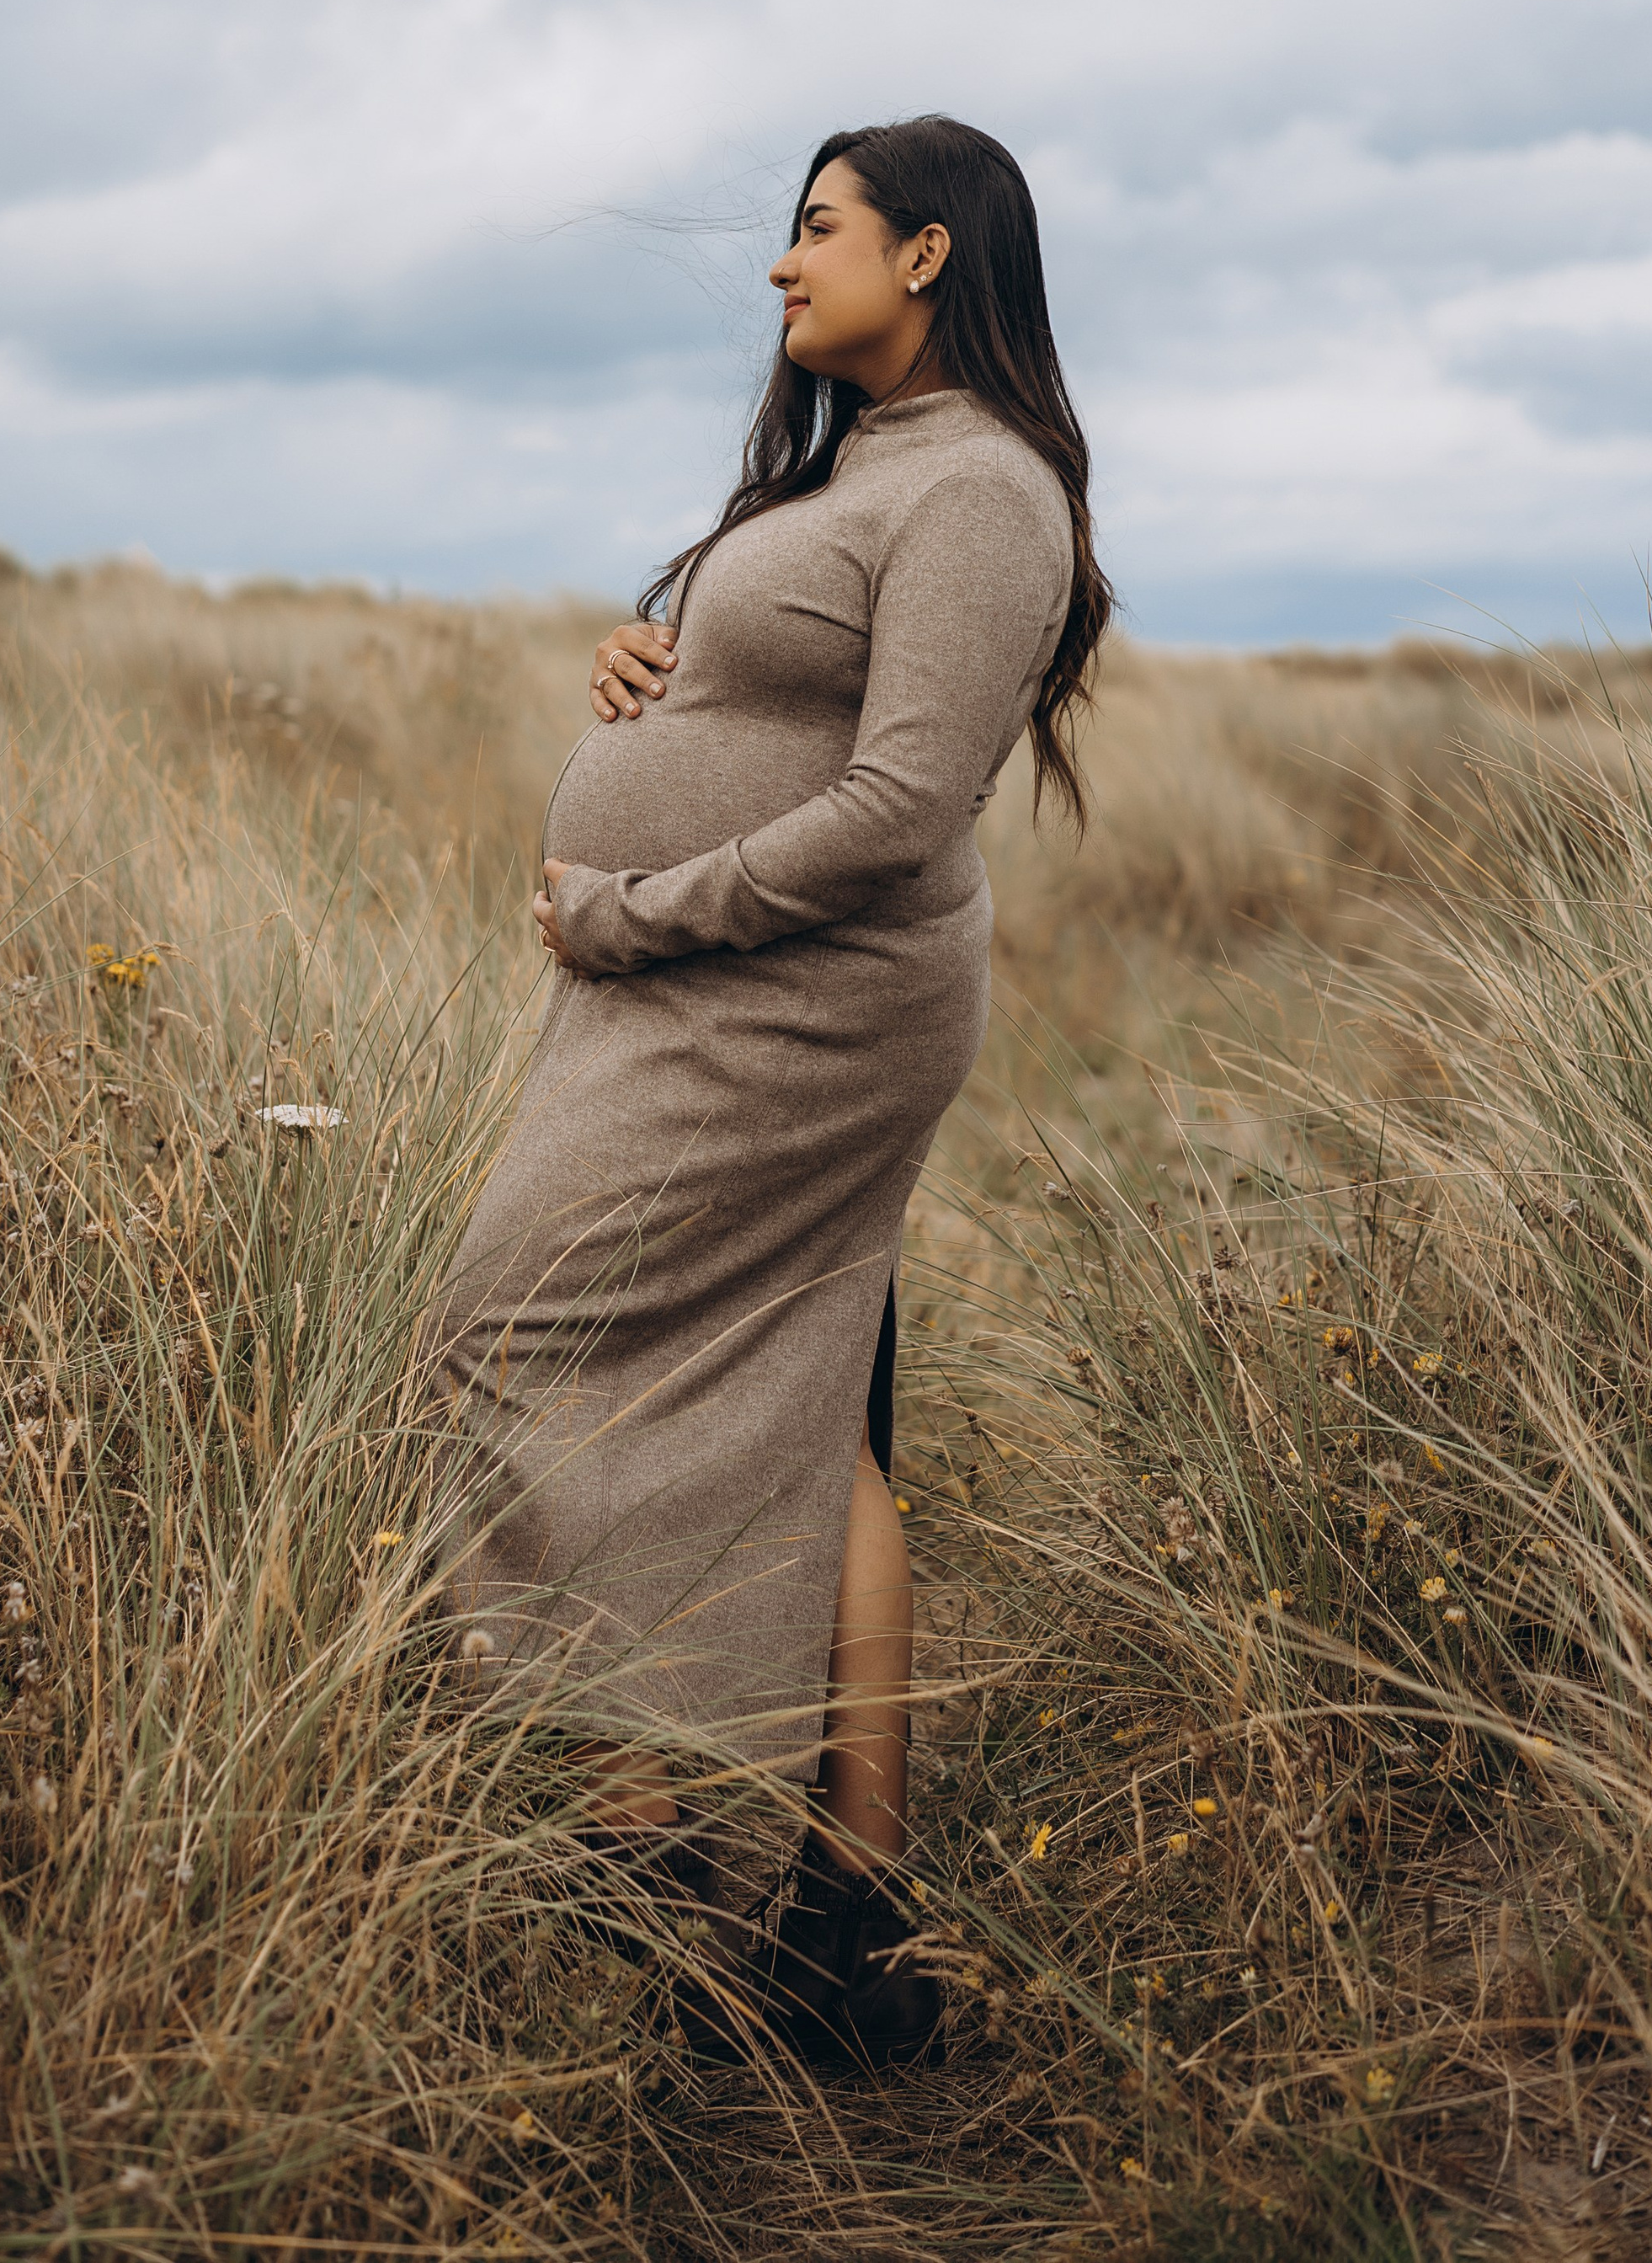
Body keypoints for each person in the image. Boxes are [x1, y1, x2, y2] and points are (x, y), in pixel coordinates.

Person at [431, 115, 1110, 2065]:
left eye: (817, 228)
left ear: (925, 252)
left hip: (803, 1000)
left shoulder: (982, 490)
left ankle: (646, 1862)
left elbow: (901, 808)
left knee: (502, 1328)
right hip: (717, 984)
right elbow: (795, 703)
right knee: (814, 1396)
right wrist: (655, 672)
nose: (779, 263)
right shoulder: (866, 466)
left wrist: (635, 911)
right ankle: (839, 1924)